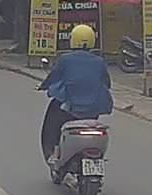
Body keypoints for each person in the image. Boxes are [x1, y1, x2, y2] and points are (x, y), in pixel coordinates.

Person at [37, 24, 112, 162]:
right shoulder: (99, 61)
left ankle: (53, 152)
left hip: (69, 109)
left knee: (51, 126)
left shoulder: (65, 59)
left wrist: (43, 86)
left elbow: (53, 77)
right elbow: (107, 83)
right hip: (92, 111)